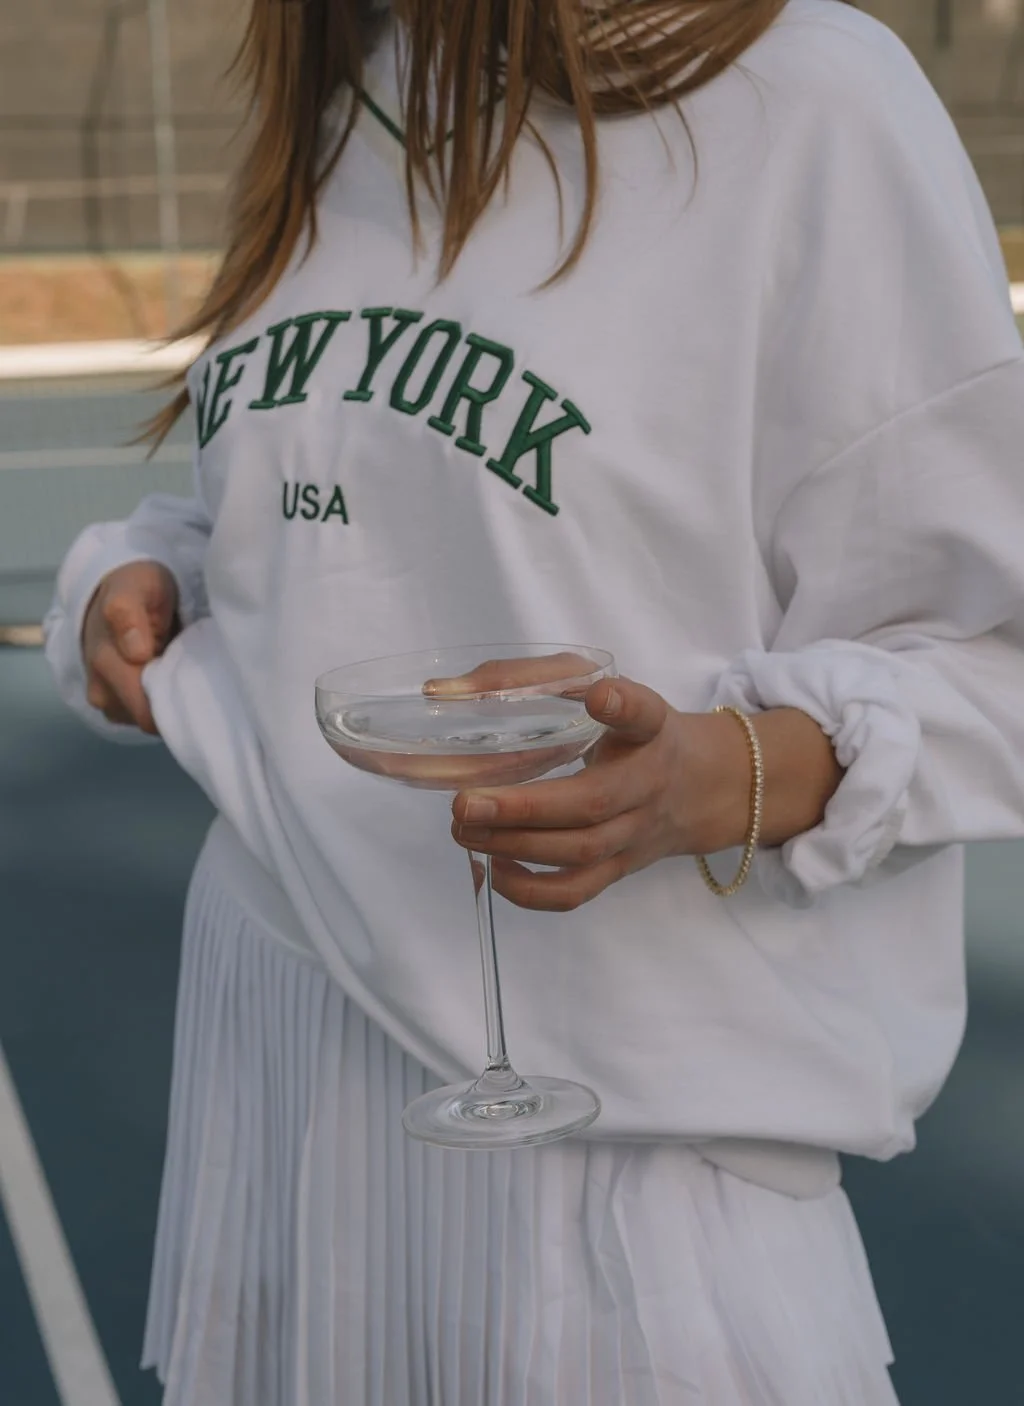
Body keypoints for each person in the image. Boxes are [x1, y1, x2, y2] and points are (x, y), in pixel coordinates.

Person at [45, 0, 1024, 1401]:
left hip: (618, 1131)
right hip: (286, 1084)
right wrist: (144, 573)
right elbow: (333, 505)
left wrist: (727, 771)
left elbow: (1001, 649)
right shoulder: (349, 83)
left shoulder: (812, 97)